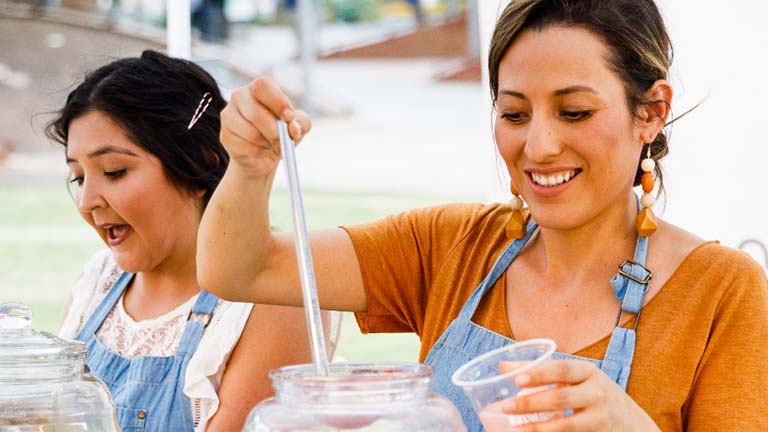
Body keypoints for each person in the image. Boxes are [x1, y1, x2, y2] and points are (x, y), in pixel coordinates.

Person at [197, 0, 768, 430]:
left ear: (651, 111)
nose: (539, 146)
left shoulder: (723, 292)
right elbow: (240, 270)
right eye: (515, 114)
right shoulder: (450, 246)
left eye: (574, 112)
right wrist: (249, 167)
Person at [50, 50, 318, 431]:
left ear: (200, 164)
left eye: (114, 171)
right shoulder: (97, 282)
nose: (87, 201)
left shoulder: (272, 298)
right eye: (78, 178)